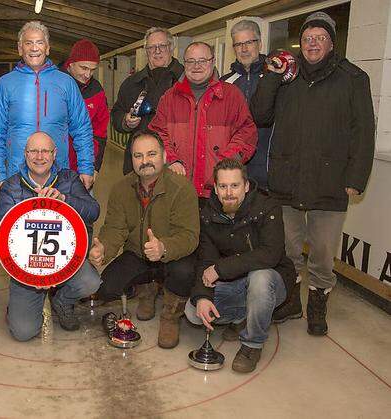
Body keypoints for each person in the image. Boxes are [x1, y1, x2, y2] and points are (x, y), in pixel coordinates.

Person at [250, 12, 375, 335]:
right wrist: (271, 76)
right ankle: (291, 300)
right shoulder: (286, 76)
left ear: (332, 43)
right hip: (286, 179)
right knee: (288, 250)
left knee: (321, 253)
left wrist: (355, 178)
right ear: (300, 44)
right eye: (307, 39)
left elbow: (364, 131)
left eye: (320, 38)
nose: (312, 43)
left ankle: (317, 302)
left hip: (329, 182)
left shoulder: (353, 78)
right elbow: (260, 114)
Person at [89, 131, 199, 349]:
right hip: (138, 254)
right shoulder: (121, 188)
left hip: (173, 257)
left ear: (165, 157)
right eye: (138, 156)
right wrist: (104, 248)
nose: (145, 161)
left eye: (151, 154)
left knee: (184, 273)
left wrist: (164, 248)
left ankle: (171, 315)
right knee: (108, 287)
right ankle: (147, 289)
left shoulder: (182, 188)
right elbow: (115, 228)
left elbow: (189, 236)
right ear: (131, 159)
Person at [184, 159, 295, 373]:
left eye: (234, 186)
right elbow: (206, 261)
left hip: (273, 280)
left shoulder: (267, 207)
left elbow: (270, 254)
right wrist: (203, 297)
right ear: (215, 189)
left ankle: (252, 345)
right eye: (223, 186)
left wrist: (220, 269)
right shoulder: (207, 215)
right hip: (236, 283)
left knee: (260, 278)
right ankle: (244, 315)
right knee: (192, 312)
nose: (229, 193)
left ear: (246, 186)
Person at [0, 132, 101, 341]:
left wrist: (65, 199)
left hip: (65, 259)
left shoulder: (69, 179)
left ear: (55, 154)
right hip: (27, 268)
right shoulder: (11, 186)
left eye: (45, 150)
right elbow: (4, 236)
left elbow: (94, 211)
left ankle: (61, 300)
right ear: (25, 154)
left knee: (90, 281)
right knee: (24, 332)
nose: (39, 156)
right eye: (33, 151)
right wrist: (35, 275)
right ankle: (20, 303)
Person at [0, 21, 95, 192]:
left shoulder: (66, 83)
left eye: (39, 42)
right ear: (20, 48)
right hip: (17, 176)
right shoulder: (5, 84)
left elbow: (82, 128)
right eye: (28, 43)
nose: (34, 48)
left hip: (58, 175)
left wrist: (86, 168)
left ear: (48, 48)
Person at [148, 41, 257, 202]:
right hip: (177, 189)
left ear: (213, 62)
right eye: (190, 61)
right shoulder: (169, 98)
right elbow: (157, 133)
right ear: (184, 64)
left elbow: (246, 133)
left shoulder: (232, 96)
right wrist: (171, 159)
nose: (196, 66)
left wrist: (226, 163)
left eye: (202, 60)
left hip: (218, 192)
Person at [111, 27, 184, 175]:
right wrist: (125, 120)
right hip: (140, 162)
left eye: (162, 46)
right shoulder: (132, 83)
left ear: (171, 48)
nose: (157, 51)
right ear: (146, 51)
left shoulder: (186, 80)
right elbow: (116, 113)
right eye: (152, 47)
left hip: (176, 161)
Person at [221, 20, 272, 190]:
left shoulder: (275, 79)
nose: (243, 49)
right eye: (238, 44)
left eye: (249, 42)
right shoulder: (224, 83)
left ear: (260, 43)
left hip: (268, 174)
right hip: (233, 174)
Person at [61, 39, 110, 175]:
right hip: (52, 167)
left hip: (82, 168)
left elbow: (100, 133)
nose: (88, 75)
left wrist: (94, 166)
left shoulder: (96, 91)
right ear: (71, 64)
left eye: (92, 70)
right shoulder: (54, 84)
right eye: (84, 68)